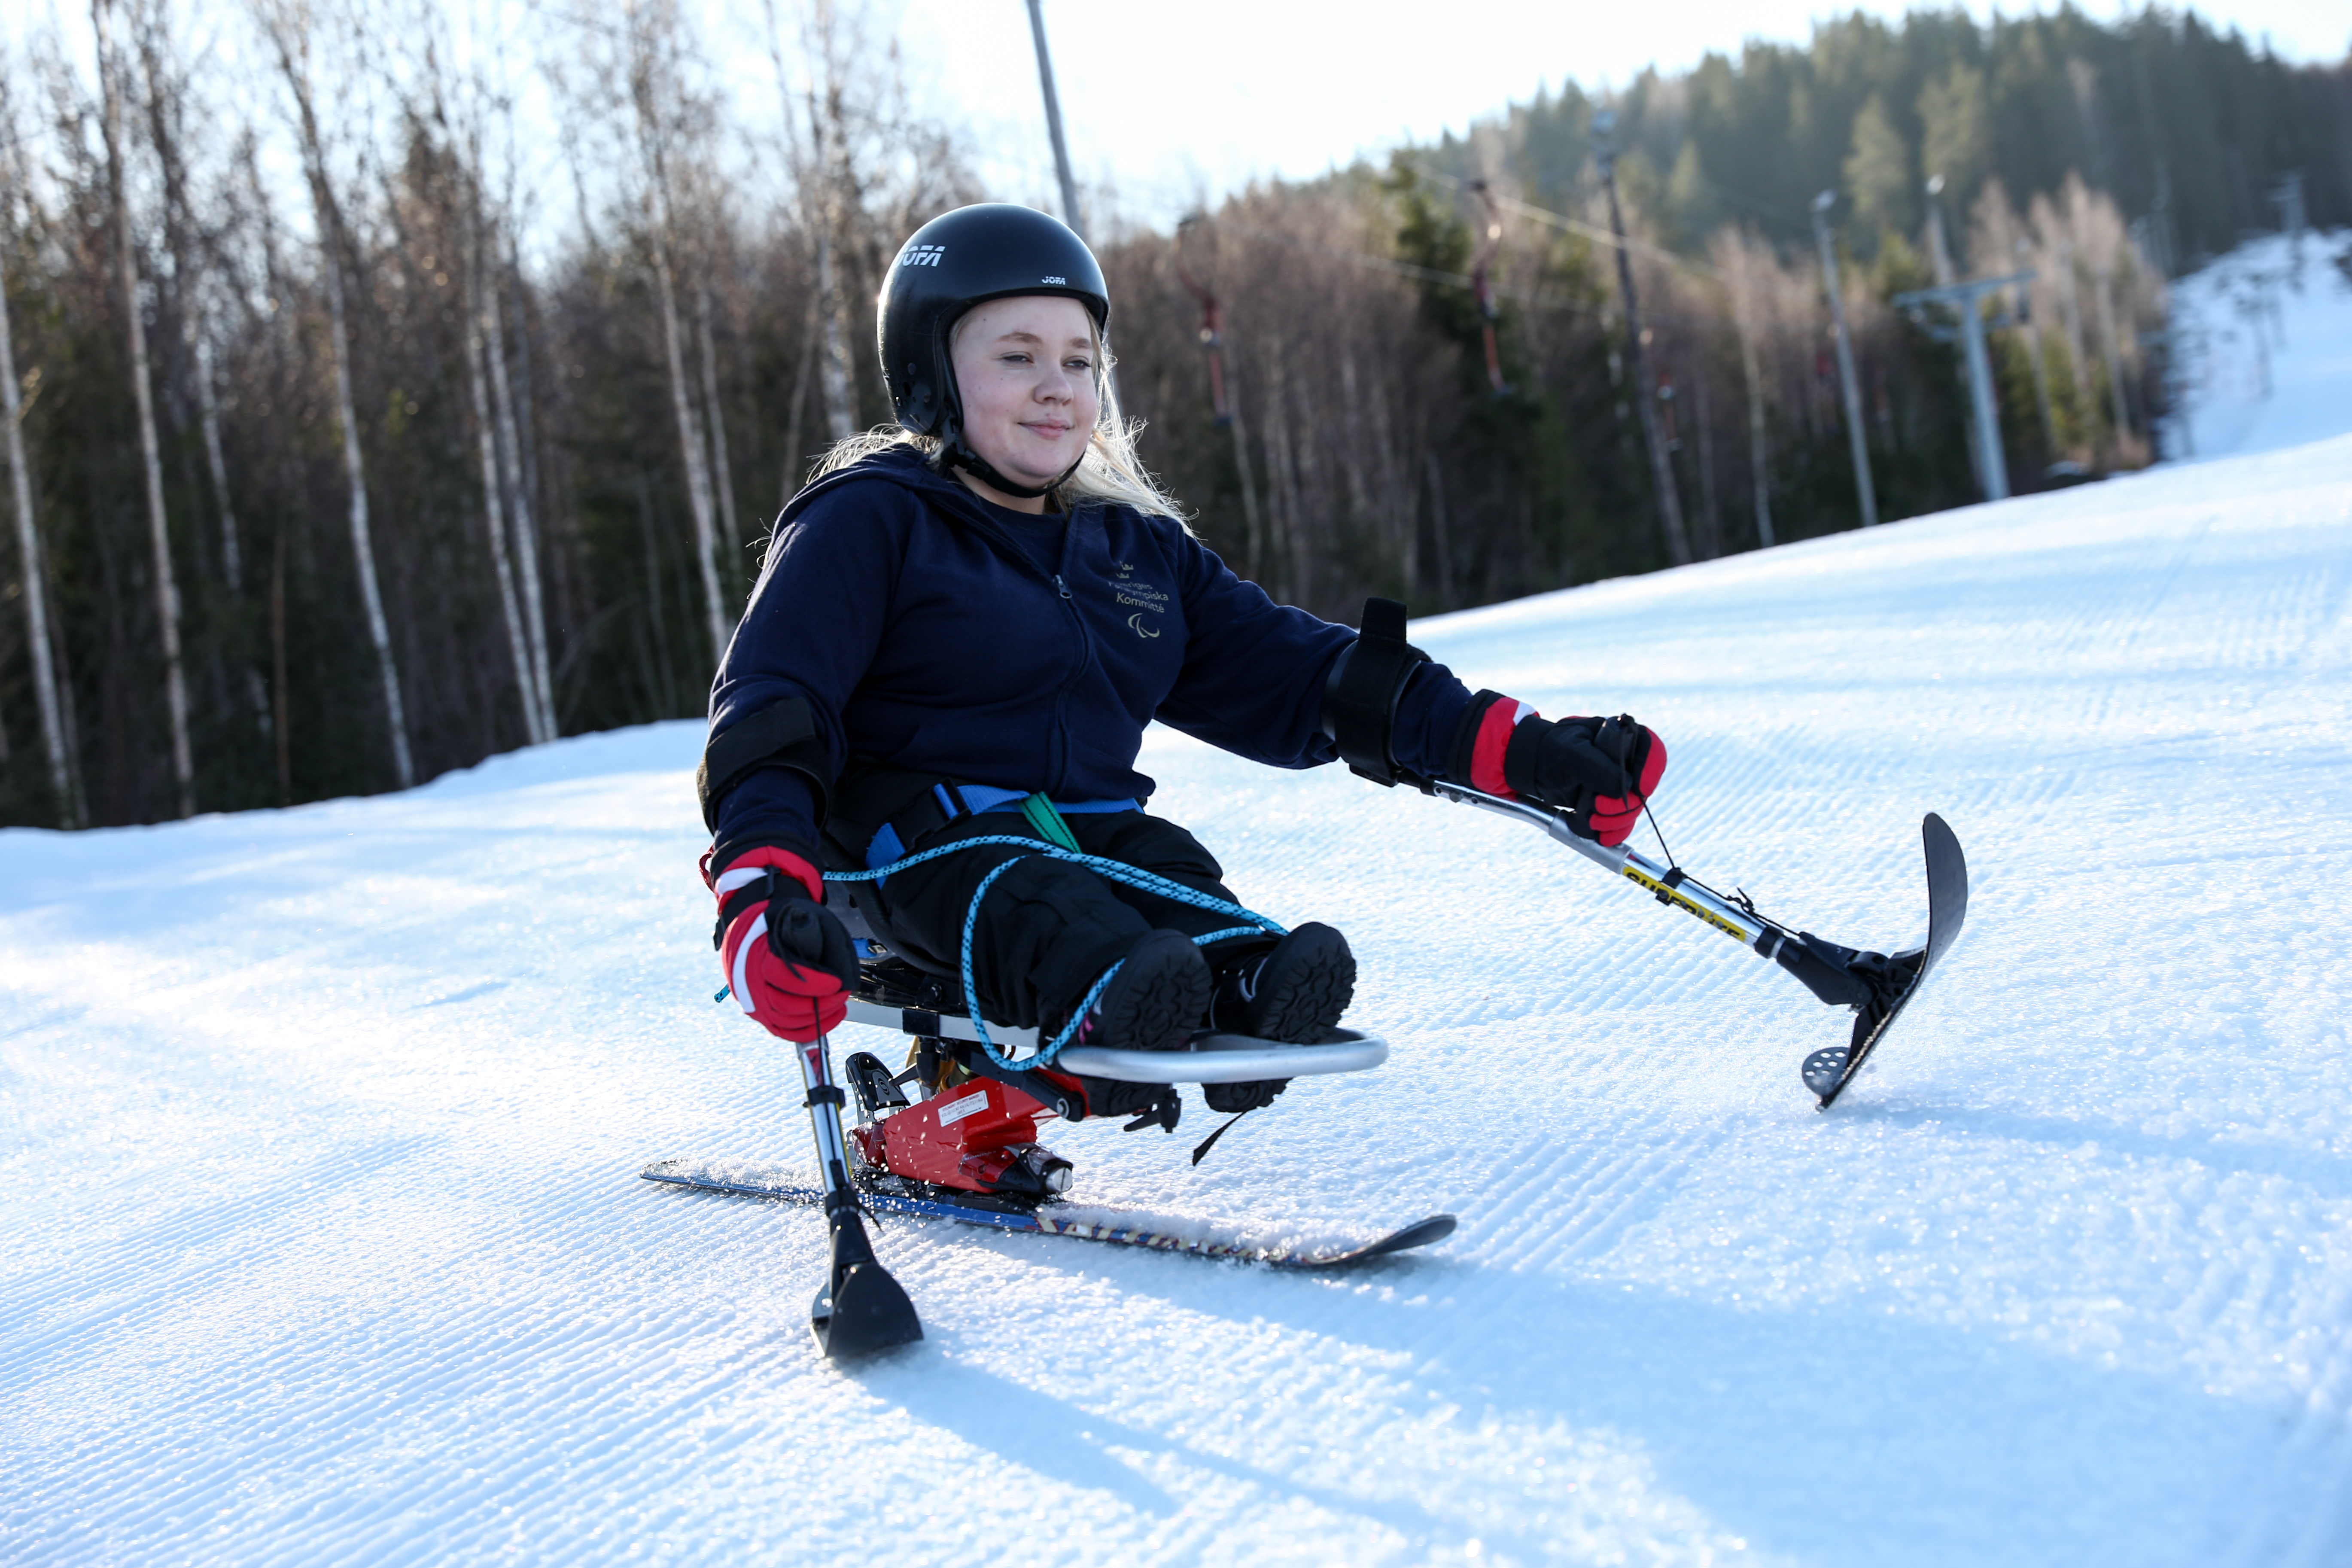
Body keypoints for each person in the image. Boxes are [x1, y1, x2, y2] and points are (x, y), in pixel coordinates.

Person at [700, 203, 1664, 1127]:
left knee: (1175, 877)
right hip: (914, 856)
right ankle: (1107, 1000)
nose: (1057, 386)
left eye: (1078, 360)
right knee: (1037, 900)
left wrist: (1519, 749)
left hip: (1088, 830)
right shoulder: (870, 519)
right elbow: (774, 707)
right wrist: (761, 884)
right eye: (1017, 357)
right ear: (929, 376)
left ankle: (1237, 979)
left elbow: (1299, 671)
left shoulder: (1131, 549)